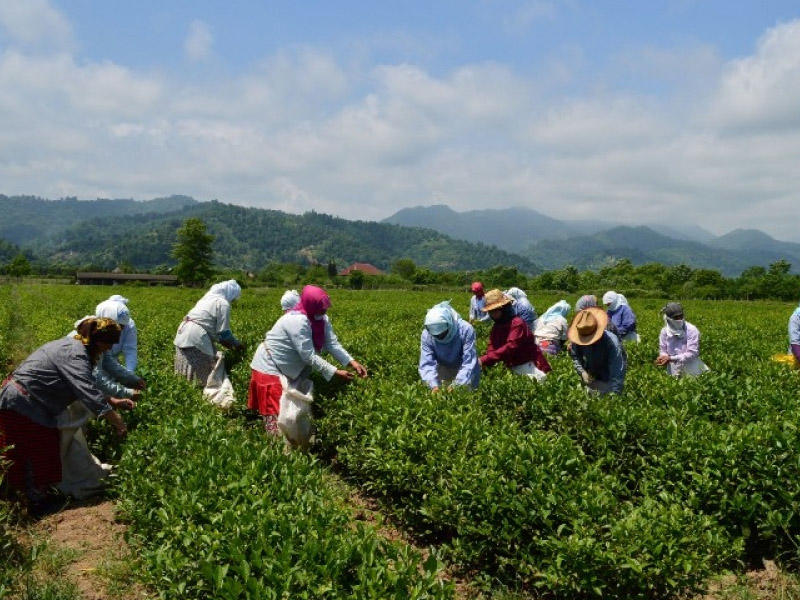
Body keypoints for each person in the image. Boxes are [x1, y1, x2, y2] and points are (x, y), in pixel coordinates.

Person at [0, 318, 131, 513]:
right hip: (21, 403)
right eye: (108, 343)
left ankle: (29, 497)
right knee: (28, 453)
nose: (109, 348)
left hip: (27, 401)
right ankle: (28, 502)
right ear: (97, 340)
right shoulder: (74, 354)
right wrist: (118, 421)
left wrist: (113, 401)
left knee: (40, 451)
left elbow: (82, 384)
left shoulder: (75, 347)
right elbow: (87, 390)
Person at [248, 285, 368, 435]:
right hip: (270, 366)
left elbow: (332, 344)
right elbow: (308, 355)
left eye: (325, 308)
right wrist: (335, 372)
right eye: (320, 308)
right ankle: (277, 450)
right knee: (278, 415)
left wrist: (352, 362)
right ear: (310, 305)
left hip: (288, 368)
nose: (324, 311)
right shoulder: (297, 320)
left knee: (290, 415)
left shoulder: (321, 318)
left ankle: (291, 449)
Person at [174, 280, 245, 386]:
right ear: (231, 293)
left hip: (183, 331)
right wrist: (237, 345)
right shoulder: (223, 303)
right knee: (204, 377)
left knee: (185, 373)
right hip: (195, 336)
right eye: (234, 298)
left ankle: (184, 388)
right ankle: (200, 393)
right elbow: (224, 333)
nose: (233, 300)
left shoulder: (206, 299)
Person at [479, 289, 551, 380]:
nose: (491, 314)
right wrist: (487, 360)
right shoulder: (497, 326)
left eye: (494, 311)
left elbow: (511, 346)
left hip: (529, 365)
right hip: (512, 365)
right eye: (490, 312)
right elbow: (492, 345)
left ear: (503, 308)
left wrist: (485, 359)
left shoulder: (517, 323)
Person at [418, 300, 480, 391]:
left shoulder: (466, 329)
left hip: (465, 369)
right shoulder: (427, 335)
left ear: (449, 324)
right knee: (442, 395)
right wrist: (433, 385)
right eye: (436, 335)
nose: (439, 337)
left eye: (442, 334)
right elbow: (427, 363)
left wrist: (458, 384)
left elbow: (468, 362)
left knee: (465, 396)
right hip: (443, 367)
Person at [568, 308, 627, 395]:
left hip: (609, 373)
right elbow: (575, 355)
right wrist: (582, 371)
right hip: (594, 371)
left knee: (608, 391)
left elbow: (617, 371)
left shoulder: (611, 343)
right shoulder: (579, 337)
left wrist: (615, 395)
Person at [655, 303, 710, 377]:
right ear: (668, 318)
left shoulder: (691, 330)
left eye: (681, 316)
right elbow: (663, 349)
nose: (679, 319)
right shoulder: (664, 331)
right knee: (675, 385)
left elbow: (692, 353)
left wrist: (670, 358)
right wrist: (663, 357)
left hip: (691, 366)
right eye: (676, 317)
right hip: (672, 367)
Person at [95, 295, 138, 372]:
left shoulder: (129, 324)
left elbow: (130, 350)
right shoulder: (93, 330)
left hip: (111, 361)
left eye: (122, 326)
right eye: (118, 326)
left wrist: (130, 374)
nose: (121, 329)